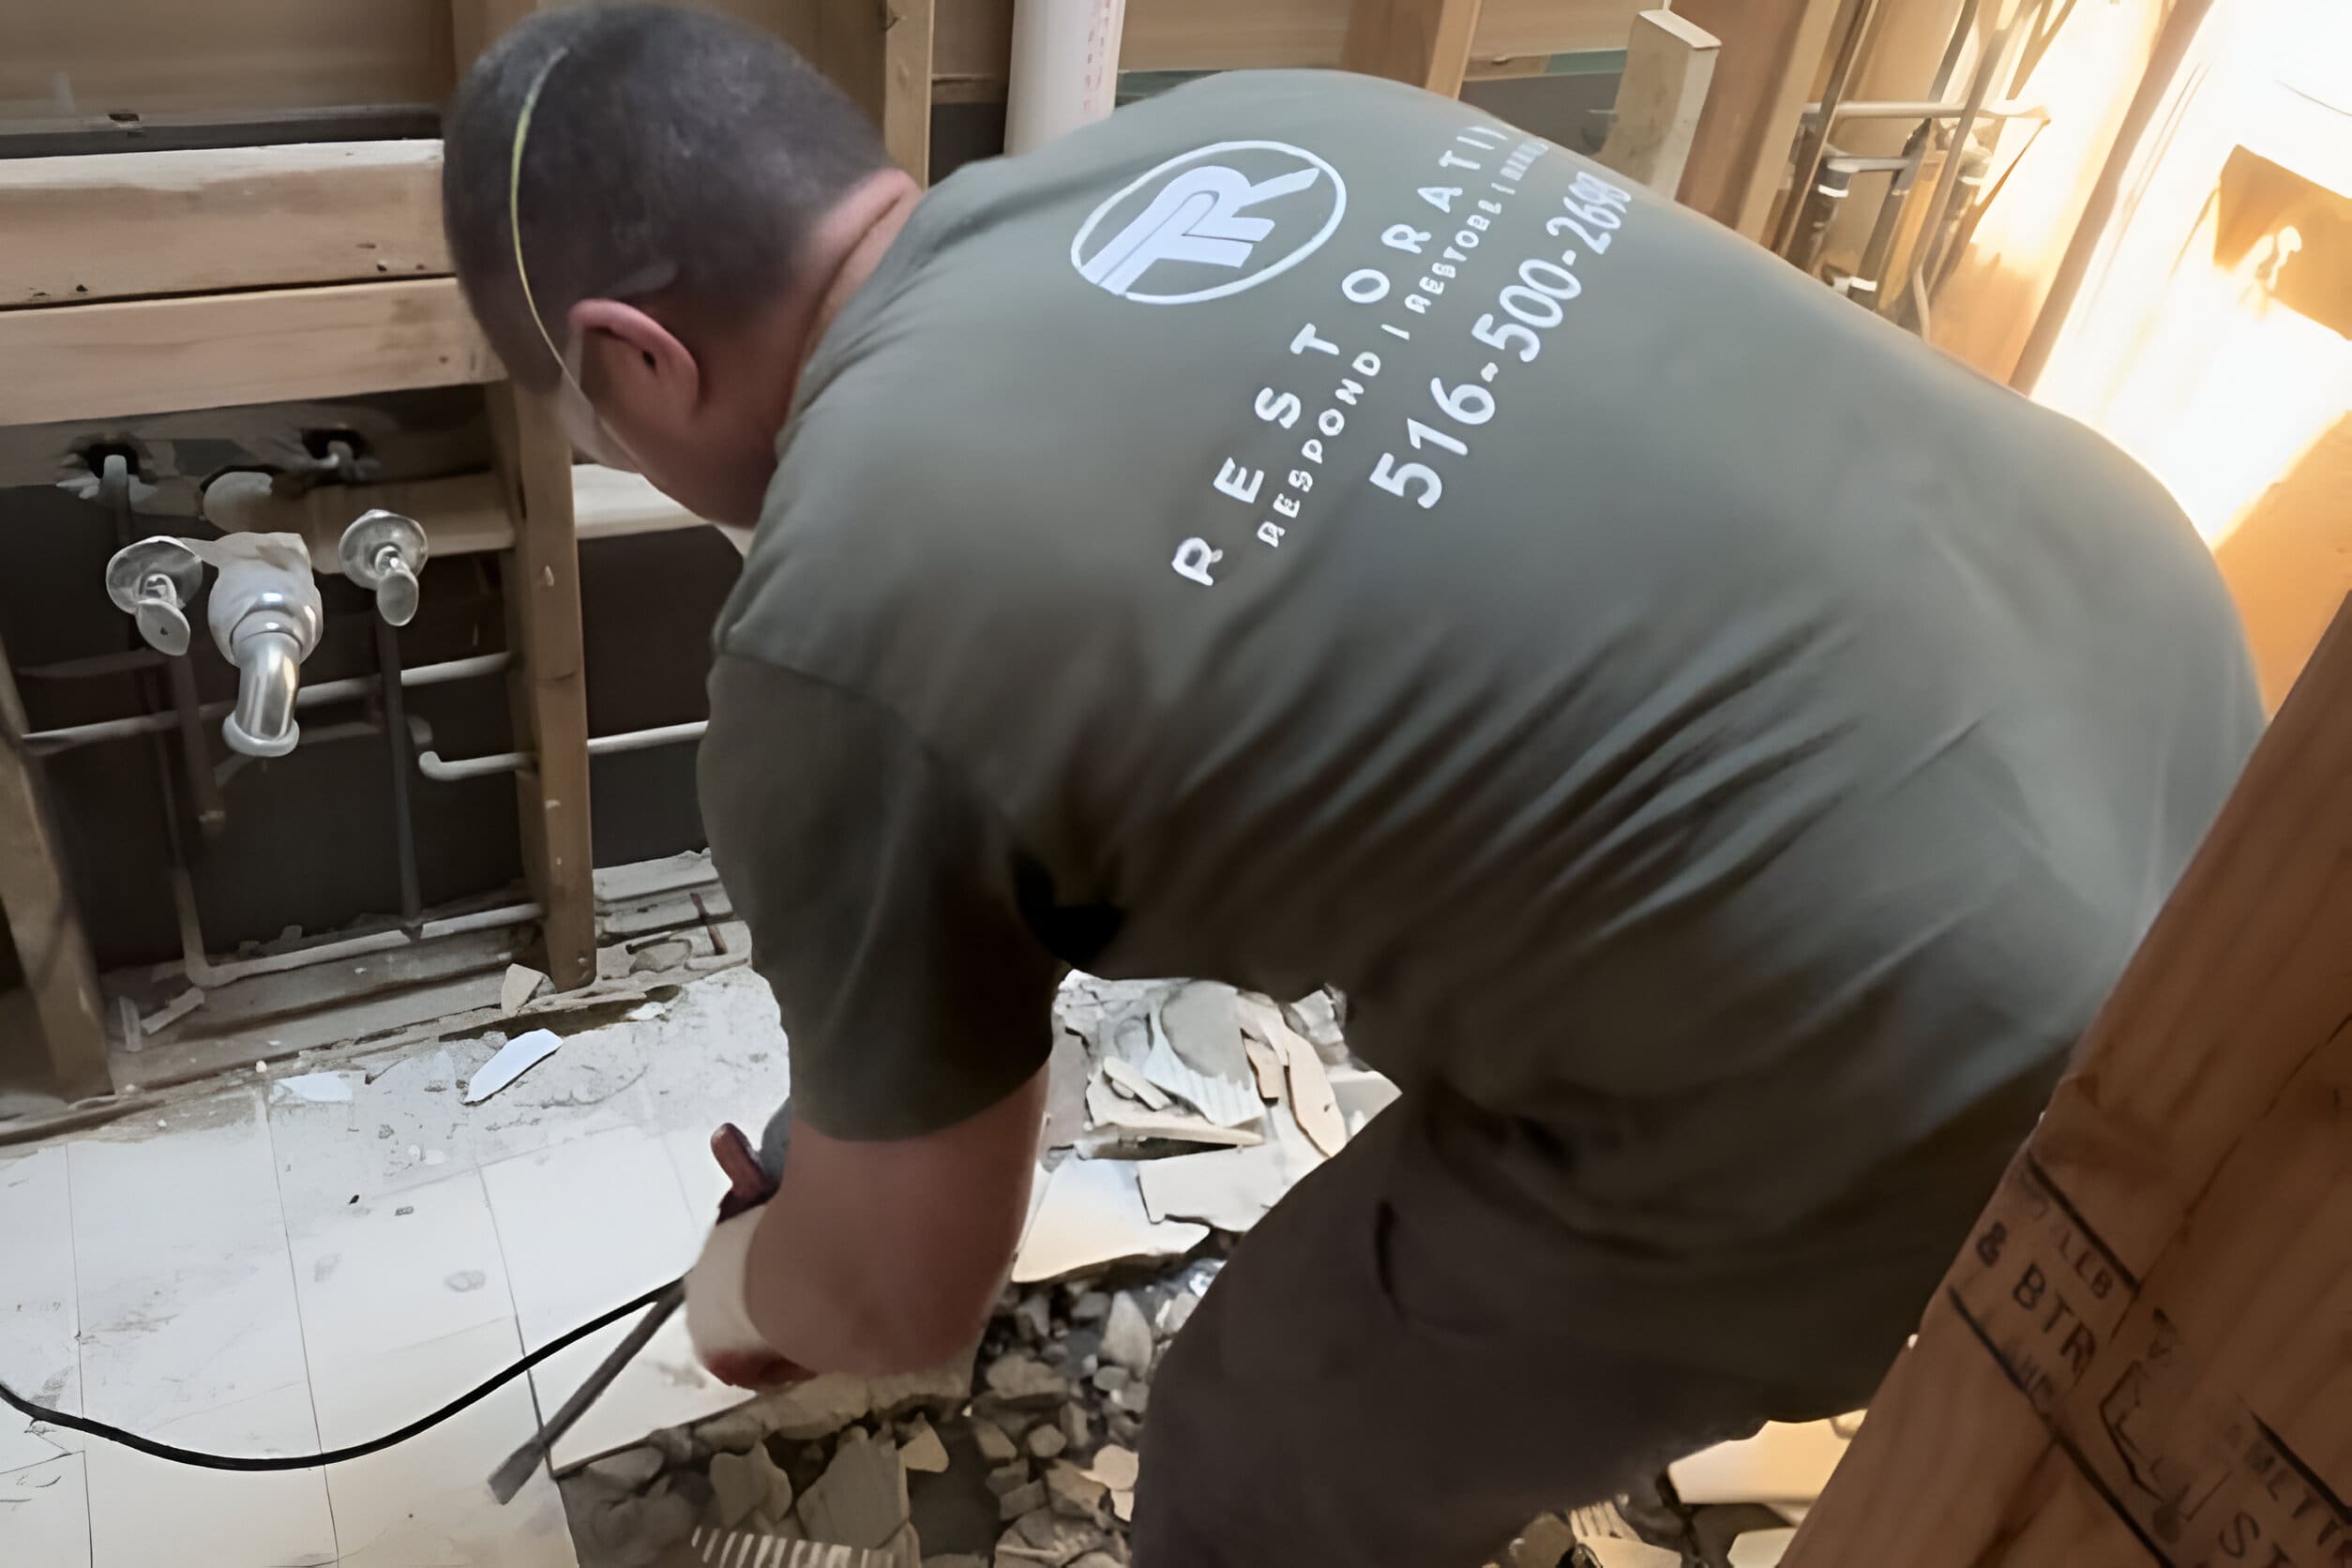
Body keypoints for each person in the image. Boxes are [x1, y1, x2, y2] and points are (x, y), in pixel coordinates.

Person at [439, 8, 2262, 1562]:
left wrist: (742, 1288)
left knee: (1264, 1434)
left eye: (591, 431)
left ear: (629, 360)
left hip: (1918, 1036)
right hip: (2187, 724)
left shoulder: (828, 621)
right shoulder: (1266, 119)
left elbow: (897, 1303)